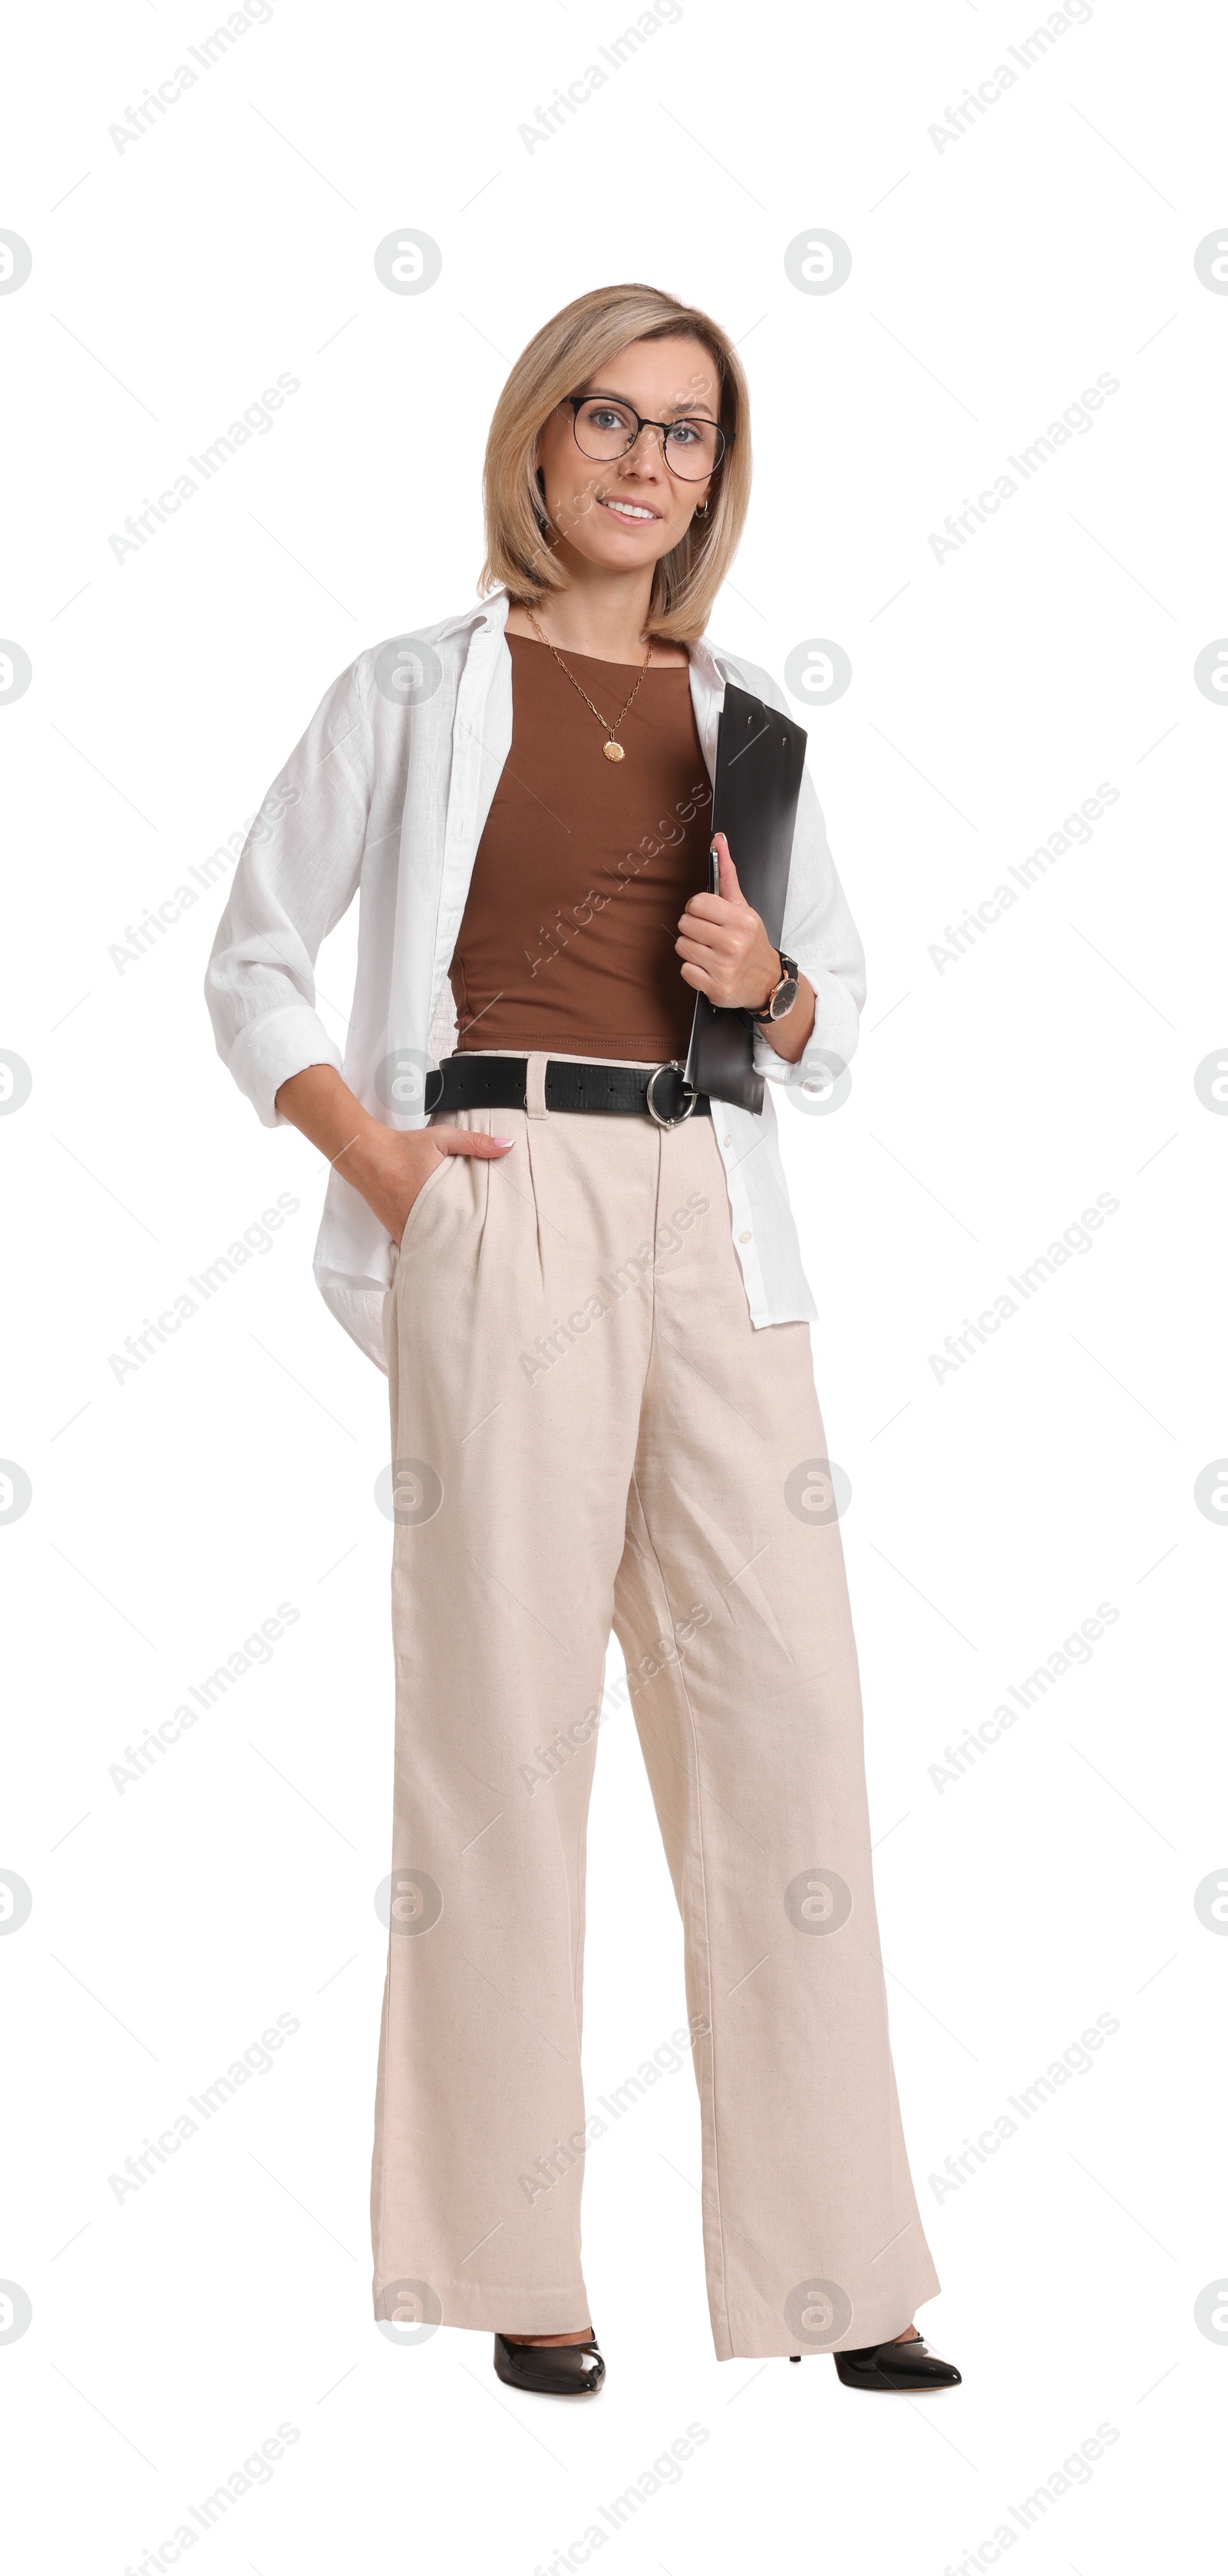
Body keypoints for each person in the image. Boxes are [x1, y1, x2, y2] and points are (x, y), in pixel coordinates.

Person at [205, 281, 961, 2400]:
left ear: (721, 475)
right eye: (611, 422)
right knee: (506, 1733)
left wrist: (772, 975)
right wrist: (382, 1166)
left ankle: (837, 2270)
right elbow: (252, 957)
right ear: (540, 442)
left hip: (714, 1211)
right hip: (500, 1200)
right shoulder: (413, 689)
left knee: (789, 1720)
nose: (647, 462)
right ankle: (509, 2256)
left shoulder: (752, 727)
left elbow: (833, 1024)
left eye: (689, 433)